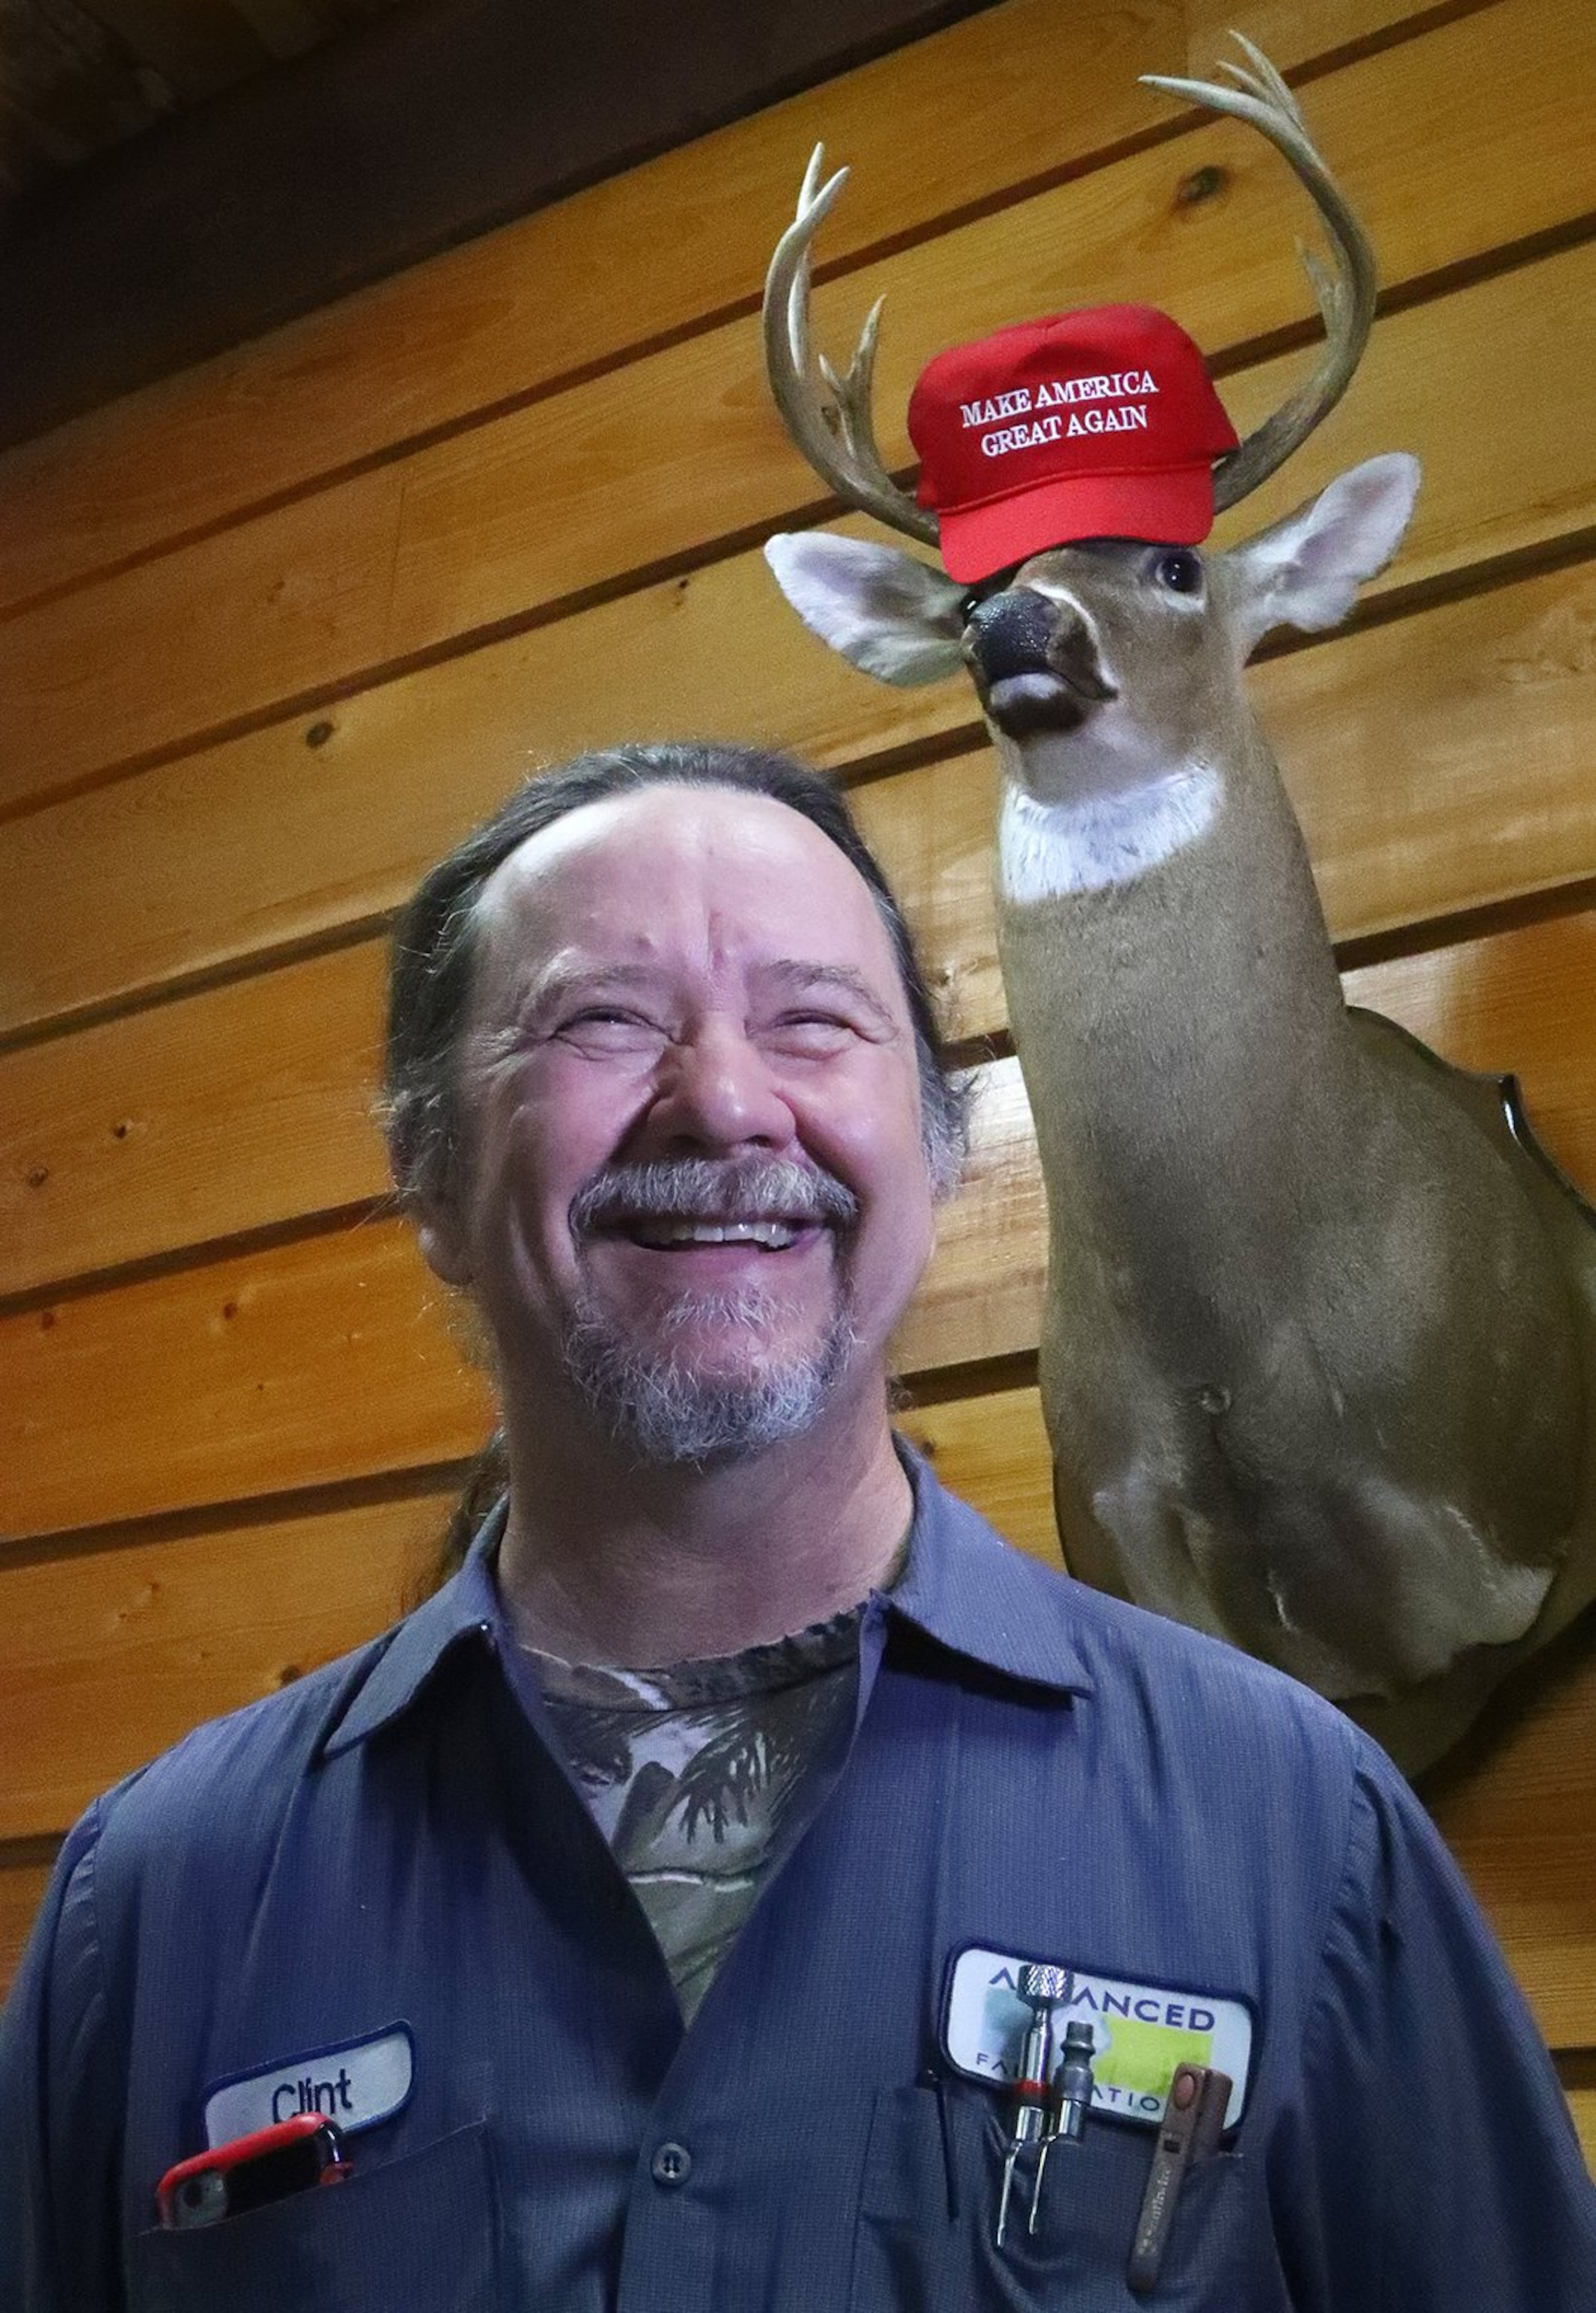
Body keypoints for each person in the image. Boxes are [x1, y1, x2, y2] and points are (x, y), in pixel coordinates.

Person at [0, 740, 1590, 2310]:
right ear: (429, 1166)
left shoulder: (1300, 1835)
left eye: (815, 1021)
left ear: (940, 1142)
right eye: (605, 1021)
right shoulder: (148, 1916)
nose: (725, 1100)